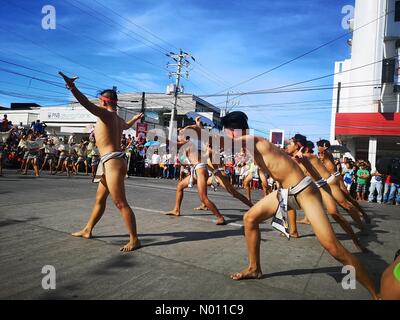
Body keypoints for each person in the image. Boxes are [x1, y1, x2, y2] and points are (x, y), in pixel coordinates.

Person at [220, 112, 378, 299]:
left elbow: (220, 141)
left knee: (333, 248)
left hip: (304, 191)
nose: (227, 134)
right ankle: (254, 268)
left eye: (228, 131)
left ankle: (377, 294)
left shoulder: (251, 139)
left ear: (236, 130)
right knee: (250, 219)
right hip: (285, 193)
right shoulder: (252, 146)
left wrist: (194, 132)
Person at [59, 71, 143, 252]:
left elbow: (85, 103)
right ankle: (88, 229)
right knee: (99, 199)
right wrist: (135, 118)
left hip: (112, 161)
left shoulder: (105, 114)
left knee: (120, 203)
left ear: (104, 101)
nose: (98, 103)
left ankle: (134, 239)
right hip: (110, 162)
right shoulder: (118, 119)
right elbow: (127, 126)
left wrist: (72, 87)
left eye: (100, 101)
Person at [165, 117, 226, 225]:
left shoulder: (188, 142)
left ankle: (220, 217)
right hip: (197, 170)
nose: (179, 135)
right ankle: (176, 210)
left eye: (181, 134)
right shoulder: (191, 142)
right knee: (180, 186)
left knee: (203, 197)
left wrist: (161, 139)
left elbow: (173, 143)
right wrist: (197, 124)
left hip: (200, 169)